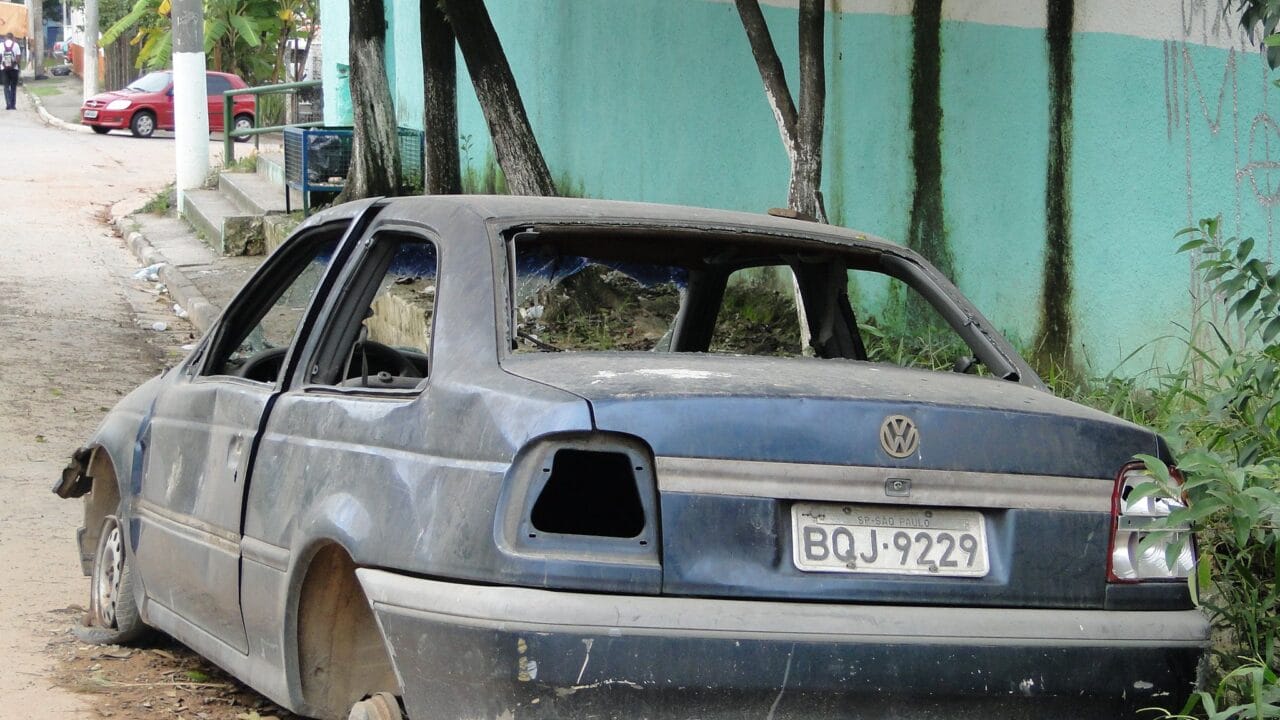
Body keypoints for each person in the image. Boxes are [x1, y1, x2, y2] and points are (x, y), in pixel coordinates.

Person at [0, 33, 20, 110]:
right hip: (14, 69)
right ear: (13, 38)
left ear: (5, 38)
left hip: (4, 69)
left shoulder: (1, 45)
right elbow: (18, 59)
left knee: (6, 86)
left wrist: (4, 65)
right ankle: (13, 105)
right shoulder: (16, 45)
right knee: (13, 87)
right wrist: (13, 65)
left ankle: (8, 103)